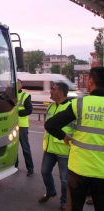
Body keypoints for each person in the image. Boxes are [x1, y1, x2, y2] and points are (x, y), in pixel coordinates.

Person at [45, 66, 104, 211]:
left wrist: (64, 136)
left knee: (75, 208)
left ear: (90, 81)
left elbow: (50, 124)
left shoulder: (79, 103)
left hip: (78, 170)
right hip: (102, 173)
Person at [38, 82, 73, 211]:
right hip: (49, 149)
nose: (51, 91)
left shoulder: (71, 108)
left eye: (54, 89)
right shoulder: (51, 107)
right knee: (44, 172)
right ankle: (50, 192)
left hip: (64, 150)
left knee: (64, 179)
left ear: (61, 92)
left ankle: (64, 202)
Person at [16, 79, 34, 176]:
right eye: (15, 83)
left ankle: (30, 168)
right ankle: (15, 166)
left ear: (21, 85)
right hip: (11, 125)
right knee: (13, 148)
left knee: (25, 148)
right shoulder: (10, 95)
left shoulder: (25, 95)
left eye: (19, 83)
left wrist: (18, 113)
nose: (17, 85)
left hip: (22, 125)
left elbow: (29, 110)